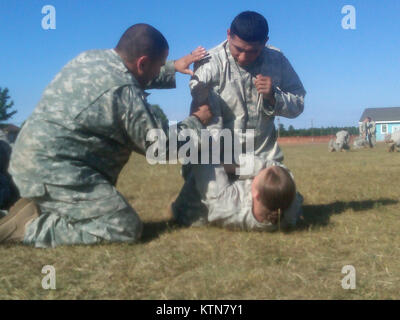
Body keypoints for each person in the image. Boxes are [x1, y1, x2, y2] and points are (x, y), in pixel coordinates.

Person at [0, 24, 212, 247]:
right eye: (158, 65)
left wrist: (171, 67)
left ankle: (35, 204)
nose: (158, 70)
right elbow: (159, 147)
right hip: (54, 171)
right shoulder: (124, 93)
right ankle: (26, 228)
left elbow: (131, 74)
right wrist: (197, 120)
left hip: (31, 159)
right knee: (122, 226)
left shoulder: (91, 59)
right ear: (142, 62)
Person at [189, 10, 306, 163]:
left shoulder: (277, 60)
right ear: (228, 34)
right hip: (218, 160)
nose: (243, 57)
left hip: (263, 159)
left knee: (284, 186)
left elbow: (298, 104)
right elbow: (197, 109)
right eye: (238, 49)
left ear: (265, 42)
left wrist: (273, 96)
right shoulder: (210, 63)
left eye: (253, 52)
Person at [171, 155, 303, 231]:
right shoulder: (289, 206)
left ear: (255, 193)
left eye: (257, 176)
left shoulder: (228, 203)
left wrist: (227, 165)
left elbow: (203, 158)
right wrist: (235, 166)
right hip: (222, 183)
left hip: (190, 208)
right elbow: (282, 171)